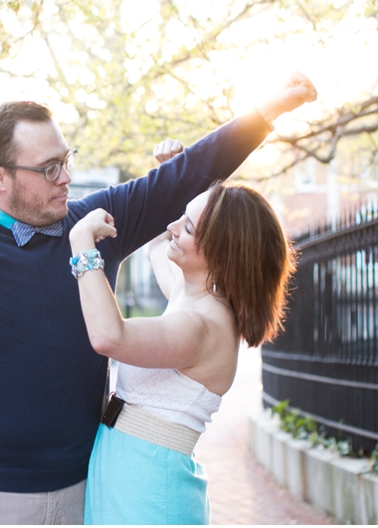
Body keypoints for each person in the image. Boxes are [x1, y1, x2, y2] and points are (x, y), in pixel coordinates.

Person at [0, 73, 316, 524]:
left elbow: (188, 174)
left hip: (88, 489)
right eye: (49, 168)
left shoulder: (94, 221)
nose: (65, 177)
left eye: (66, 159)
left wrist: (270, 109)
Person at [69, 180, 295, 524]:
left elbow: (109, 337)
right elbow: (157, 245)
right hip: (130, 476)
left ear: (222, 251)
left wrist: (81, 242)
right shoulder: (190, 294)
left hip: (149, 489)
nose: (173, 227)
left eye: (187, 226)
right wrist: (172, 176)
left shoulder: (203, 326)